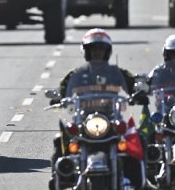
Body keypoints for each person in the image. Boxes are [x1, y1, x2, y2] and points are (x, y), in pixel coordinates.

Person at [49, 28, 144, 190]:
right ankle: (60, 180)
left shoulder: (117, 73)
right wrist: (58, 96)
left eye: (101, 49)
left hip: (112, 120)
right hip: (84, 121)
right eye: (93, 50)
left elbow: (133, 85)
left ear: (107, 52)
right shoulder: (76, 75)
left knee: (138, 138)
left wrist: (138, 93)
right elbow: (63, 89)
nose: (97, 53)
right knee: (61, 140)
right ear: (87, 52)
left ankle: (140, 181)